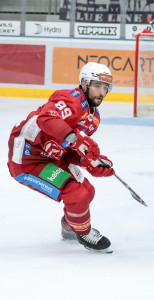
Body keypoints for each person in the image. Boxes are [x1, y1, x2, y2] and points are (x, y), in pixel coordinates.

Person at [7, 62, 116, 252]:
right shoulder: (70, 100)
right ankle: (84, 233)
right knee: (76, 193)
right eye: (97, 86)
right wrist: (78, 141)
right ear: (84, 84)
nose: (101, 92)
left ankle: (70, 227)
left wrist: (91, 161)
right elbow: (46, 119)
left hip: (51, 156)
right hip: (28, 160)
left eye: (105, 87)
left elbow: (71, 149)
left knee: (87, 191)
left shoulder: (94, 118)